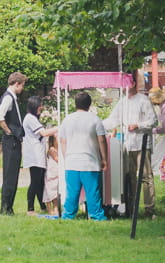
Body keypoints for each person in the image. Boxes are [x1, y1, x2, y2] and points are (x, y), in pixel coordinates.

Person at [103, 73, 158, 217]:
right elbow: (112, 120)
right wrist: (95, 124)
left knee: (146, 176)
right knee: (131, 176)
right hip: (128, 144)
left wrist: (138, 125)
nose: (124, 87)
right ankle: (132, 209)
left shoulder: (144, 100)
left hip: (142, 142)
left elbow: (153, 121)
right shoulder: (122, 102)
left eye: (127, 84)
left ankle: (149, 208)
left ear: (133, 84)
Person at [59, 91, 107, 221]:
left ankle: (68, 215)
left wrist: (66, 156)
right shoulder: (95, 119)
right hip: (90, 162)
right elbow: (101, 140)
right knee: (92, 192)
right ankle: (96, 215)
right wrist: (104, 159)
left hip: (71, 162)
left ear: (75, 104)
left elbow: (63, 141)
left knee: (72, 192)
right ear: (89, 104)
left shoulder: (67, 119)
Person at [0, 71, 27, 215]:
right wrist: (8, 131)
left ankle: (9, 207)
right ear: (17, 84)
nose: (23, 88)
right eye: (22, 85)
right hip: (11, 141)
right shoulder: (8, 98)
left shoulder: (12, 98)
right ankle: (5, 207)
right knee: (10, 174)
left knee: (13, 173)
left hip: (14, 140)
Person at [22, 95, 58, 215]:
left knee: (40, 182)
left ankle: (43, 206)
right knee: (35, 182)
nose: (41, 108)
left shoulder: (33, 118)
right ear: (34, 106)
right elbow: (43, 132)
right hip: (34, 155)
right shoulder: (30, 118)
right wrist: (59, 127)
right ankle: (30, 209)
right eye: (39, 105)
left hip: (38, 154)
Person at [42, 136, 61, 216]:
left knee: (55, 192)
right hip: (51, 173)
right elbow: (57, 159)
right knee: (49, 191)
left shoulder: (57, 150)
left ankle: (56, 208)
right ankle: (50, 209)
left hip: (56, 173)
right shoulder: (52, 149)